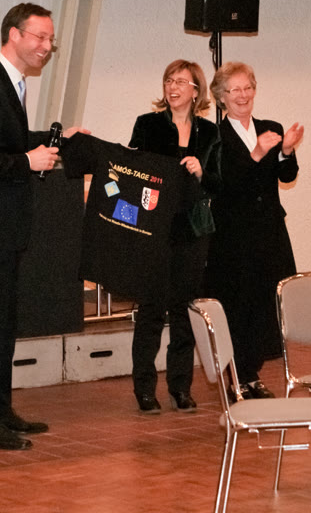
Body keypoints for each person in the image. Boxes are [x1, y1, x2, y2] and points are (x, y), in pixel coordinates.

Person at [0, 3, 85, 450]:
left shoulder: (9, 82)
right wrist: (28, 161)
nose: (47, 47)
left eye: (51, 40)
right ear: (13, 34)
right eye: (40, 37)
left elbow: (7, 143)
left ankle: (0, 409)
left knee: (2, 324)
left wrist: (56, 141)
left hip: (2, 230)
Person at [204, 62, 304, 399]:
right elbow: (226, 185)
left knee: (264, 303)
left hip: (269, 231)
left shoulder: (271, 128)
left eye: (247, 87)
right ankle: (236, 377)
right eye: (234, 89)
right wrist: (258, 153)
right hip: (232, 235)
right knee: (237, 304)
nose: (243, 95)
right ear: (221, 97)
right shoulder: (214, 136)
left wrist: (286, 151)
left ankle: (252, 374)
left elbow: (286, 177)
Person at [127, 60, 222, 414]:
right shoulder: (147, 125)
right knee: (151, 310)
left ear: (196, 91)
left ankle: (181, 387)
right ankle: (144, 388)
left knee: (184, 312)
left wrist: (201, 172)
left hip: (193, 230)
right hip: (155, 228)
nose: (173, 87)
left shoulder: (210, 133)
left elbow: (218, 183)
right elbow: (132, 170)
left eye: (181, 81)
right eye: (169, 80)